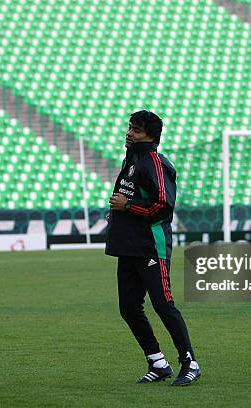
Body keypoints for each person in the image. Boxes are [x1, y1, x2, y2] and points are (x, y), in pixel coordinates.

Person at [105, 110, 201, 386]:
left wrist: (128, 207)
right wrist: (117, 214)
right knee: (129, 308)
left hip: (150, 246)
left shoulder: (155, 163)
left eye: (135, 130)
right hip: (129, 245)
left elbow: (163, 205)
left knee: (164, 304)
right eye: (129, 128)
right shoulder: (132, 160)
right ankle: (157, 362)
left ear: (150, 136)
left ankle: (190, 362)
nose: (129, 133)